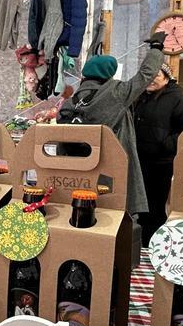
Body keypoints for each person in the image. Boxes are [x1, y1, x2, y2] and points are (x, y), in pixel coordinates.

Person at [56, 31, 167, 216]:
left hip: (77, 176)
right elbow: (146, 74)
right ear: (110, 74)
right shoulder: (117, 93)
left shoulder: (71, 102)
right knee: (117, 217)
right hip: (111, 174)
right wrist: (156, 48)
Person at [133, 63, 183, 246]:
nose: (152, 78)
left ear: (167, 77)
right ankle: (143, 246)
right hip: (141, 159)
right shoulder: (143, 96)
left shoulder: (177, 97)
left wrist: (167, 143)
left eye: (157, 75)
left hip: (161, 162)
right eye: (148, 74)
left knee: (154, 207)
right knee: (142, 207)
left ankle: (154, 245)